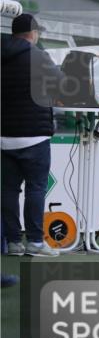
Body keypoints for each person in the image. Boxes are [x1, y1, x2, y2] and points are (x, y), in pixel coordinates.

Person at [2, 14, 63, 257]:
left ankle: (14, 243)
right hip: (34, 136)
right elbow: (62, 87)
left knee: (8, 190)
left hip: (4, 135)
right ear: (33, 33)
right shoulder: (39, 56)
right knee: (35, 189)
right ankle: (36, 242)